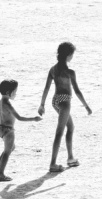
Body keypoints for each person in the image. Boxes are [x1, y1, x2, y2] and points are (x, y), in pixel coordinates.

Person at [38, 41, 92, 172]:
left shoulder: (53, 69)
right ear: (68, 55)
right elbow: (77, 91)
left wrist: (42, 105)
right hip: (65, 101)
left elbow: (46, 88)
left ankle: (71, 158)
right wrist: (86, 106)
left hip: (55, 100)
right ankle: (53, 164)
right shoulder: (70, 72)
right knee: (59, 132)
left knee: (70, 127)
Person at [0, 78, 42, 181]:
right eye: (15, 92)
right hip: (8, 131)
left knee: (11, 147)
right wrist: (34, 119)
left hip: (0, 129)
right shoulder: (8, 104)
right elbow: (19, 118)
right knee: (7, 151)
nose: (16, 94)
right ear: (8, 92)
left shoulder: (0, 102)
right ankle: (1, 173)